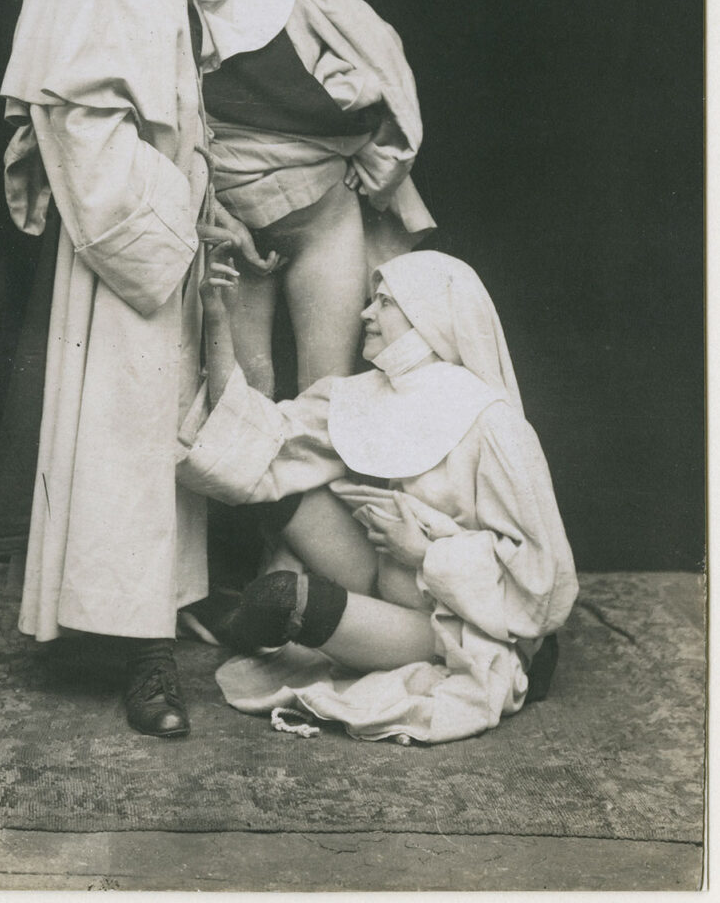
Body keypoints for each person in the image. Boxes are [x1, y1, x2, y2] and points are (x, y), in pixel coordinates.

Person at [0, 0, 273, 739]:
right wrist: (161, 223)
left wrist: (207, 210)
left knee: (154, 437)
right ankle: (143, 655)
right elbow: (73, 117)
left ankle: (148, 618)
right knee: (124, 437)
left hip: (164, 228)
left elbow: (178, 123)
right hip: (125, 238)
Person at [176, 249, 579, 744]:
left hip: (450, 621)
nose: (366, 313)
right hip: (378, 574)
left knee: (280, 599)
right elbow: (248, 442)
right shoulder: (359, 394)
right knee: (273, 476)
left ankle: (244, 624)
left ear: (432, 316)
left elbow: (544, 575)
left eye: (385, 302)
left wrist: (427, 553)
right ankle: (246, 623)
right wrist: (217, 322)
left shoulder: (493, 423)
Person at [182, 0, 436, 397]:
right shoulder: (161, 10)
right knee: (241, 397)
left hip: (322, 222)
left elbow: (383, 72)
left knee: (328, 389)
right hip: (230, 227)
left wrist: (367, 148)